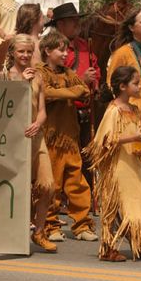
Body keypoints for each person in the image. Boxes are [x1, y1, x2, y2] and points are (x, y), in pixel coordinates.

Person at [85, 66, 141, 262]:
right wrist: (133, 137)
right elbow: (103, 141)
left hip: (132, 164)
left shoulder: (133, 109)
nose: (139, 85)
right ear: (122, 86)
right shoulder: (113, 110)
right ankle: (108, 248)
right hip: (118, 166)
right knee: (114, 206)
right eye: (134, 83)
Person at [0, 34, 56, 253]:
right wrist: (22, 83)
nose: (25, 55)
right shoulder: (2, 76)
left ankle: (39, 231)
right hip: (13, 139)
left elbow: (42, 111)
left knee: (48, 185)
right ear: (12, 52)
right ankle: (11, 234)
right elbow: (2, 109)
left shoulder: (38, 76)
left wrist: (38, 124)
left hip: (35, 137)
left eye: (29, 52)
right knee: (15, 189)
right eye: (21, 51)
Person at [36, 29, 97, 242]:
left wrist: (68, 92)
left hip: (70, 137)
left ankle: (82, 225)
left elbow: (85, 90)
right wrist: (70, 93)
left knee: (77, 182)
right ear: (47, 50)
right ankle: (50, 225)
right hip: (51, 137)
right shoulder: (39, 72)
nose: (65, 55)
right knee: (52, 184)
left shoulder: (68, 73)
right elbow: (46, 93)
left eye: (66, 50)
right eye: (60, 50)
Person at [49, 2, 100, 207]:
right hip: (62, 111)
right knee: (61, 158)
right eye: (72, 21)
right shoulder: (52, 48)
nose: (77, 24)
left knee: (84, 157)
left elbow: (95, 69)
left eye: (77, 20)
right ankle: (56, 200)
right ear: (61, 24)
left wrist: (94, 83)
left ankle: (83, 202)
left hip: (85, 108)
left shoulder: (84, 46)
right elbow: (53, 79)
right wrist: (82, 79)